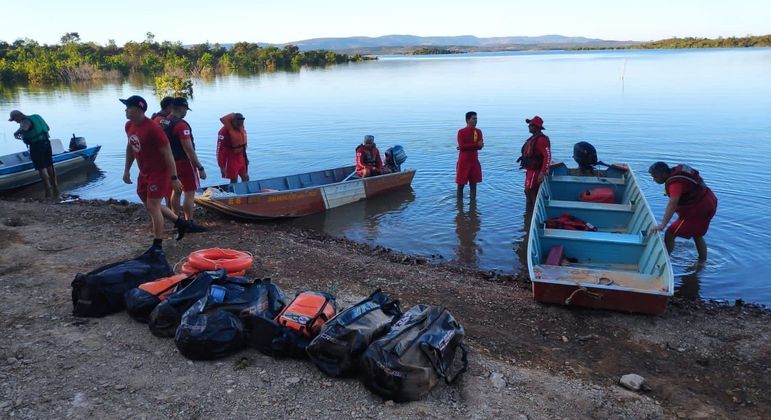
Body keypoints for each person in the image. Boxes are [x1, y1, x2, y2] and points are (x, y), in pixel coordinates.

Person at [120, 95, 188, 248]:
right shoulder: (128, 126)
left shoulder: (153, 128)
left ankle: (157, 244)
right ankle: (180, 222)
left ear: (139, 109)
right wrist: (126, 170)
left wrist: (174, 178)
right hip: (144, 172)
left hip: (159, 172)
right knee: (150, 205)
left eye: (129, 107)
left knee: (153, 206)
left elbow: (168, 153)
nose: (126, 110)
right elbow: (130, 147)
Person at [648, 162, 718, 261]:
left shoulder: (675, 184)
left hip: (699, 209)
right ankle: (702, 262)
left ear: (663, 174)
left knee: (670, 233)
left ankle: (665, 260)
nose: (653, 179)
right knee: (697, 234)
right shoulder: (675, 173)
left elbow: (672, 204)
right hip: (709, 202)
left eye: (655, 177)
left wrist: (662, 225)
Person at [161, 97, 207, 233]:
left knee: (176, 191)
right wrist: (200, 167)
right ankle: (189, 222)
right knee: (189, 192)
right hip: (184, 162)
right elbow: (189, 150)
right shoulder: (181, 125)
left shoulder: (164, 121)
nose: (186, 112)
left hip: (170, 162)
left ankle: (177, 221)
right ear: (181, 108)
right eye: (186, 109)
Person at [8, 110, 60, 199]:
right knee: (49, 165)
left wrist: (16, 133)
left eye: (14, 119)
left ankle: (48, 190)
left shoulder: (24, 121)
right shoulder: (36, 116)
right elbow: (47, 127)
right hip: (46, 143)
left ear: (18, 115)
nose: (15, 122)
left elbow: (25, 128)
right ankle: (55, 187)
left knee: (41, 167)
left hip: (37, 146)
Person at [518, 115, 551, 210]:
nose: (529, 126)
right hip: (530, 170)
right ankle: (528, 212)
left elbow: (547, 155)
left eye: (531, 125)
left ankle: (533, 211)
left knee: (531, 190)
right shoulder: (533, 138)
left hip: (535, 171)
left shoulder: (541, 140)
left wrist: (543, 172)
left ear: (536, 127)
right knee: (527, 191)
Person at [456, 111, 483, 198]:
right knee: (460, 185)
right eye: (473, 119)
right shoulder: (461, 132)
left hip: (474, 162)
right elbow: (462, 146)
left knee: (473, 185)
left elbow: (480, 146)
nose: (476, 121)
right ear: (468, 120)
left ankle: (473, 206)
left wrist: (465, 147)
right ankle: (459, 207)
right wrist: (475, 145)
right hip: (463, 162)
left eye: (476, 119)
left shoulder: (478, 131)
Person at [216, 113, 249, 183]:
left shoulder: (240, 128)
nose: (240, 125)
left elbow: (242, 145)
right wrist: (221, 166)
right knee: (234, 179)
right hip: (231, 158)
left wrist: (246, 158)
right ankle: (233, 193)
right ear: (233, 121)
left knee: (246, 177)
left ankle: (245, 193)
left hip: (241, 157)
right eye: (238, 123)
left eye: (241, 123)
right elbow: (219, 150)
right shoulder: (223, 131)